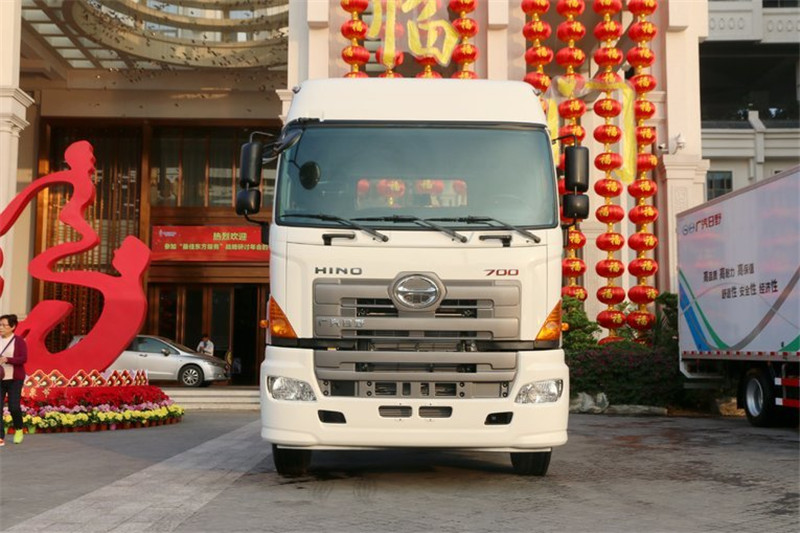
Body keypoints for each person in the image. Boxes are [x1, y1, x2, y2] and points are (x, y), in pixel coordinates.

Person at [0, 314, 28, 446]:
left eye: (4, 325)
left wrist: (7, 359)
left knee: (14, 407)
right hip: (0, 378)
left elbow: (23, 358)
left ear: (12, 327)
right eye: (0, 325)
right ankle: (0, 436)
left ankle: (18, 428)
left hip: (14, 379)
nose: (1, 327)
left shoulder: (19, 341)